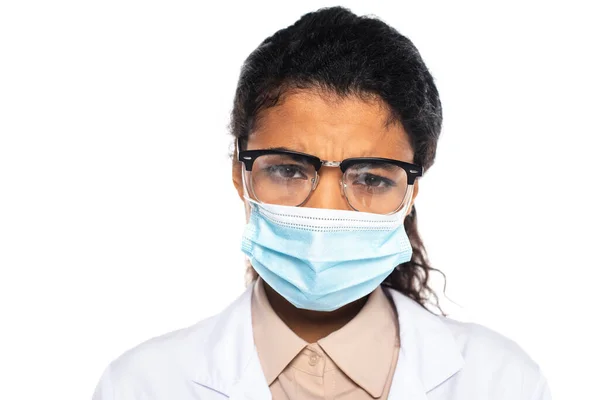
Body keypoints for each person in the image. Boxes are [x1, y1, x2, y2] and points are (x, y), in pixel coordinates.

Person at [93, 6, 551, 400]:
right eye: (289, 170)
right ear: (240, 174)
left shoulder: (503, 382)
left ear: (411, 193)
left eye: (370, 177)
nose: (325, 212)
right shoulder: (141, 385)